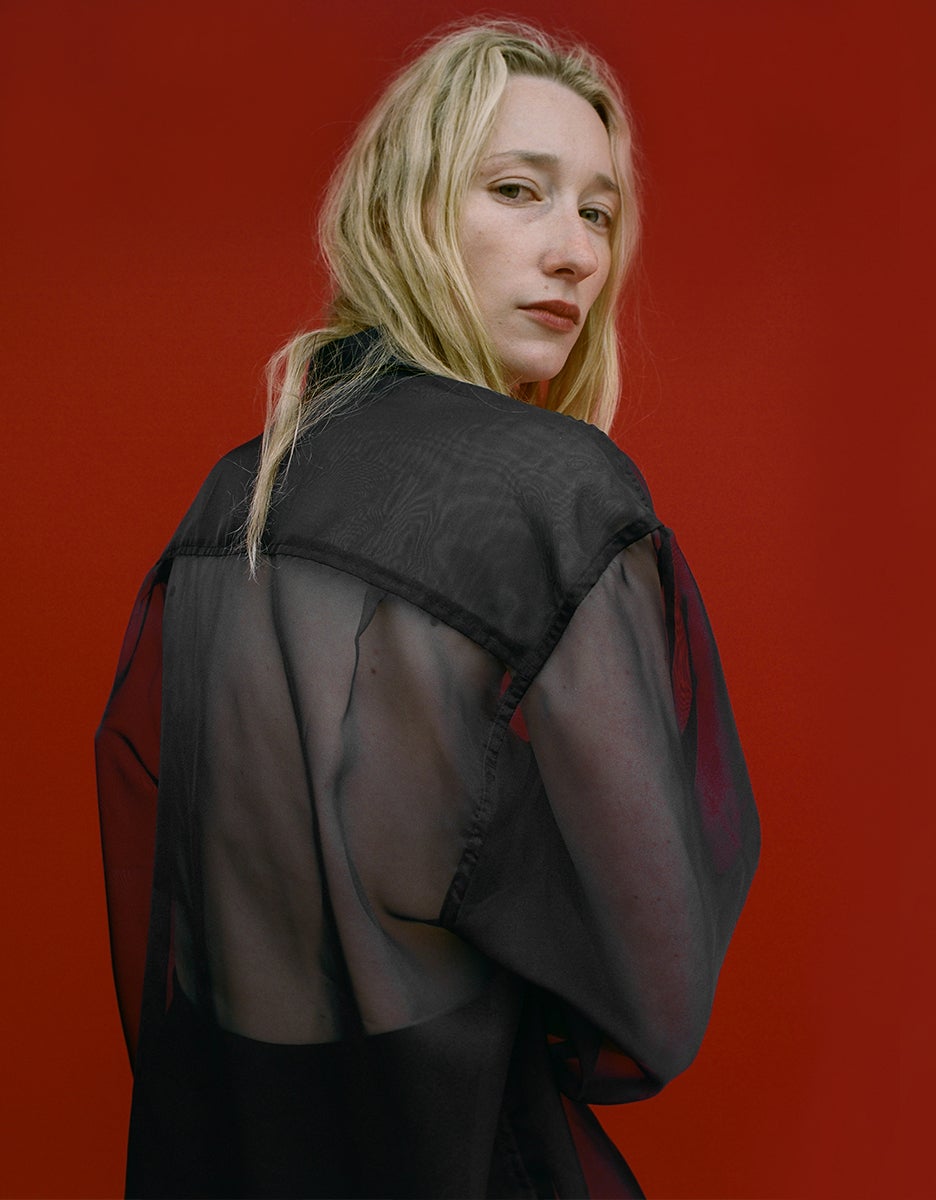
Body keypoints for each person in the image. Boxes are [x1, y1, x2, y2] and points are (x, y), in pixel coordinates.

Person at [93, 20, 758, 1198]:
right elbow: (654, 995)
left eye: (598, 212)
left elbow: (178, 933)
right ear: (407, 209)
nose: (575, 254)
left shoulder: (229, 500)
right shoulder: (556, 495)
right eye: (518, 191)